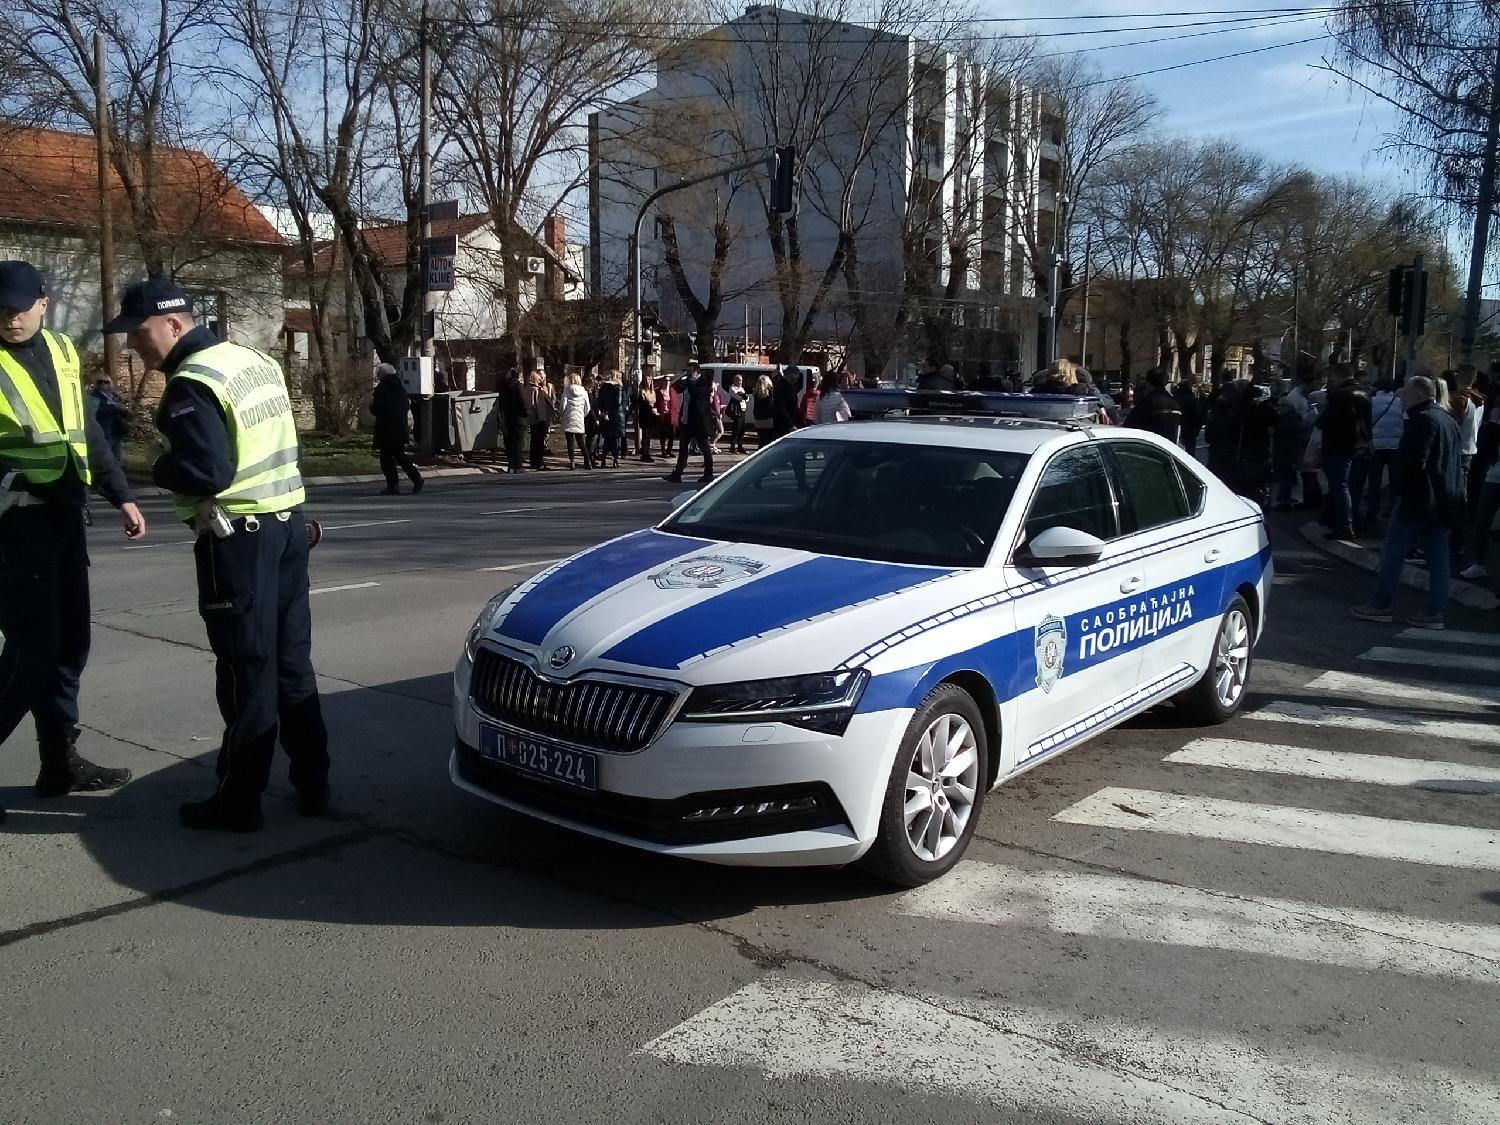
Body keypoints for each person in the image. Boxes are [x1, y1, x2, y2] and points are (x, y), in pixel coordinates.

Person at [109, 277, 327, 830]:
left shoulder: (190, 382)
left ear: (174, 324)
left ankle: (239, 800)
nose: (133, 345)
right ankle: (314, 781)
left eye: (138, 333)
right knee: (291, 667)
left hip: (237, 540)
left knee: (245, 671)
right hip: (286, 526)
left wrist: (153, 465)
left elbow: (207, 471)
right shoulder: (251, 359)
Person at [0, 260, 144, 820]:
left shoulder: (61, 351)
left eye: (19, 307)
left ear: (44, 303)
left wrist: (122, 495)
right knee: (31, 655)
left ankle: (58, 764)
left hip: (63, 519)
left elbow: (83, 430)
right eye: (1, 309)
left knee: (69, 648)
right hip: (14, 528)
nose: (10, 319)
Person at [1352, 376, 1465, 629]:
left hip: (1417, 501)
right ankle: (1435, 611)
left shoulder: (1422, 420)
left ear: (1418, 394)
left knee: (1393, 552)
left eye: (1405, 395)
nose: (1402, 400)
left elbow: (1415, 462)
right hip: (1443, 499)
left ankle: (1381, 604)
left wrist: (1399, 491)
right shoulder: (1447, 419)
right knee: (1438, 558)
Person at [1317, 363, 1371, 539]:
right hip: (1360, 446)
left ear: (1338, 376)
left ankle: (1344, 525)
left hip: (1339, 446)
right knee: (1353, 486)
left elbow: (1326, 421)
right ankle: (1354, 519)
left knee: (1339, 486)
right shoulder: (1364, 393)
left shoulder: (1340, 395)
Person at [370, 362, 424, 496]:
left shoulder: (383, 389)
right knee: (400, 456)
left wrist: (372, 408)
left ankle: (393, 485)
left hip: (386, 428)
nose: (377, 376)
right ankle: (416, 478)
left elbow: (380, 408)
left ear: (383, 374)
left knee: (386, 458)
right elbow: (405, 406)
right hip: (399, 427)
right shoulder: (400, 388)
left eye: (378, 374)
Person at [1362, 377, 1404, 527]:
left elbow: (1365, 424)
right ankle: (1393, 510)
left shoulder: (1370, 402)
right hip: (1395, 447)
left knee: (1374, 482)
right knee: (1394, 482)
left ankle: (1372, 511)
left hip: (1376, 447)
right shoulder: (1400, 403)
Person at [664, 364, 715, 484]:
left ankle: (709, 473)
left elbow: (696, 396)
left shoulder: (704, 383)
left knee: (704, 448)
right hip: (686, 421)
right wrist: (681, 375)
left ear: (697, 372)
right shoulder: (688, 382)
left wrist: (691, 381)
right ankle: (677, 473)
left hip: (699, 421)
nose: (688, 375)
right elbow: (674, 386)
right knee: (683, 448)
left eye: (690, 372)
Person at [1124, 367, 1183, 444]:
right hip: (1170, 449)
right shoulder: (1174, 402)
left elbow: (1129, 426)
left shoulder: (1147, 402)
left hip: (1151, 449)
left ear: (1148, 383)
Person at [90, 376, 130, 464]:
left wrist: (124, 410)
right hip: (104, 429)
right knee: (105, 457)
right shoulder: (94, 397)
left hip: (116, 429)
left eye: (106, 382)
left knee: (117, 457)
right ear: (97, 384)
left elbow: (123, 411)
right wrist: (114, 408)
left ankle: (117, 476)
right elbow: (96, 411)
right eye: (100, 382)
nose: (103, 384)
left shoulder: (115, 396)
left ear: (110, 383)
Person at [560, 372, 593, 470]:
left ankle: (572, 462)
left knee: (570, 442)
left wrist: (562, 414)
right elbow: (588, 407)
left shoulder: (567, 390)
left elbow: (563, 405)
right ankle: (587, 461)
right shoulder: (584, 391)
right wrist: (583, 415)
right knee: (581, 442)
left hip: (569, 417)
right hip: (579, 418)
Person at [523, 369, 554, 470]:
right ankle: (538, 462)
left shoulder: (527, 388)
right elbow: (538, 406)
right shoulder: (536, 390)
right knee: (539, 442)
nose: (541, 378)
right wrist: (543, 419)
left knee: (534, 441)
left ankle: (534, 461)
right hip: (538, 419)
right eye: (539, 377)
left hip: (532, 419)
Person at [499, 367, 528, 473]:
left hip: (508, 417)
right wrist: (527, 413)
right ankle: (518, 466)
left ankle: (511, 466)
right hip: (519, 417)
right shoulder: (518, 386)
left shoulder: (503, 387)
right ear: (518, 376)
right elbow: (523, 401)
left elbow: (501, 403)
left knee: (510, 442)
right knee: (519, 442)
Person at [596, 370, 626, 468]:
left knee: (607, 438)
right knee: (616, 439)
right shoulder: (618, 387)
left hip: (605, 415)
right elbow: (618, 402)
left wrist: (604, 411)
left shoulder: (603, 387)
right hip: (616, 415)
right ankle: (615, 459)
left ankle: (604, 459)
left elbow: (599, 401)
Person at [1173, 380, 1203, 455]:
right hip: (1190, 431)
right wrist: (1196, 430)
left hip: (1176, 429)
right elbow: (1198, 415)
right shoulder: (1192, 399)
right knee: (1189, 453)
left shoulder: (1174, 398)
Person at [633, 375, 657, 462]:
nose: (649, 381)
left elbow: (654, 402)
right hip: (645, 415)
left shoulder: (653, 392)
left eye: (650, 380)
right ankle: (644, 454)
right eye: (647, 380)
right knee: (645, 435)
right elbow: (640, 403)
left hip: (652, 415)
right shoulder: (642, 391)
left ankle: (647, 452)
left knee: (649, 436)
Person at [724, 373, 749, 453]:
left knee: (742, 429)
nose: (740, 382)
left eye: (741, 380)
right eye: (738, 380)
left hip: (743, 409)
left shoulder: (741, 388)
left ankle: (740, 446)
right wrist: (742, 396)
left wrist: (744, 397)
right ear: (734, 380)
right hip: (737, 411)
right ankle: (732, 447)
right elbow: (738, 397)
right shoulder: (732, 388)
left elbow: (747, 398)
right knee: (736, 429)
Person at [750, 373, 776, 447]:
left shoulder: (755, 393)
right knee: (769, 440)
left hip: (758, 419)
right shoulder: (770, 392)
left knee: (761, 440)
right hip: (768, 419)